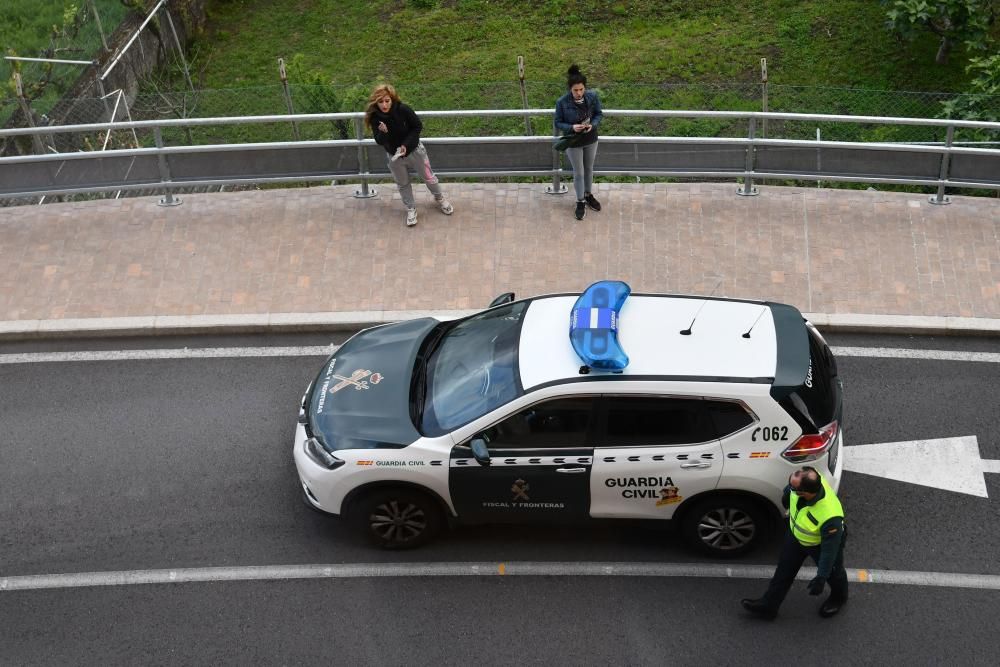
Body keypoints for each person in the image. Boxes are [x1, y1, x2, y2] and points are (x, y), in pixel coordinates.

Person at [741, 466, 848, 619]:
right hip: (796, 537)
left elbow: (829, 552)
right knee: (783, 572)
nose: (789, 488)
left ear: (804, 492)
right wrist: (787, 493)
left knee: (834, 574)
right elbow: (789, 492)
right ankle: (768, 606)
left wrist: (821, 577)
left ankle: (839, 597)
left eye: (792, 487)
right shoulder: (809, 479)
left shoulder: (830, 517)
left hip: (820, 545)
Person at [365, 83, 453, 227]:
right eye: (381, 102)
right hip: (394, 157)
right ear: (376, 103)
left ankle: (440, 199)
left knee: (429, 177)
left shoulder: (403, 109)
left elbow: (417, 126)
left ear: (392, 99)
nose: (384, 105)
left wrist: (406, 145)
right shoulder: (376, 118)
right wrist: (383, 131)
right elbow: (379, 141)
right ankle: (411, 209)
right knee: (403, 184)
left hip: (415, 151)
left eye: (387, 101)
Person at [554, 64, 603, 221]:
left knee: (589, 169)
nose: (579, 93)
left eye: (581, 89)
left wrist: (592, 125)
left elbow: (598, 114)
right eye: (575, 90)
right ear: (570, 89)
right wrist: (572, 127)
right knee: (579, 172)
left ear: (585, 88)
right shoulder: (562, 102)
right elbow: (558, 122)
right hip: (574, 141)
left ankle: (588, 195)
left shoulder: (592, 97)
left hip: (590, 138)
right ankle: (580, 200)